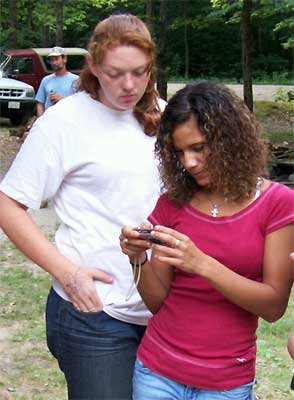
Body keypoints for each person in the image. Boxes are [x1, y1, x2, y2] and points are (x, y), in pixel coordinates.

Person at [0, 14, 165, 400]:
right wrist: (67, 272)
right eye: (115, 73)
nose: (128, 85)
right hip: (94, 313)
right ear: (93, 66)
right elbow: (8, 203)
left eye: (139, 73)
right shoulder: (64, 123)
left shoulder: (167, 112)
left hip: (164, 311)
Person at [120, 81, 294, 399]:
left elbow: (273, 307)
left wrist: (202, 264)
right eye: (179, 152)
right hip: (156, 373)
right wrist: (137, 257)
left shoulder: (277, 203)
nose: (189, 163)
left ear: (230, 139)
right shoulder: (173, 203)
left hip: (226, 381)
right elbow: (156, 302)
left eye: (198, 148)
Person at [35, 46, 79, 116]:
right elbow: (40, 103)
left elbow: (80, 103)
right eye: (52, 60)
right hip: (50, 120)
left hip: (68, 119)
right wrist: (41, 119)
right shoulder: (46, 80)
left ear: (64, 59)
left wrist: (62, 99)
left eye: (56, 59)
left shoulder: (76, 80)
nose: (54, 62)